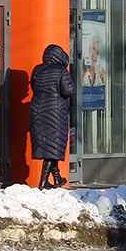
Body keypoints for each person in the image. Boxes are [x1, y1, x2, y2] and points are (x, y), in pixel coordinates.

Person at [31, 44, 75, 189]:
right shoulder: (61, 71)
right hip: (56, 111)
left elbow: (34, 87)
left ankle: (57, 179)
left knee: (47, 146)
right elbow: (68, 90)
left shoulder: (37, 69)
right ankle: (43, 182)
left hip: (38, 110)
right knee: (52, 146)